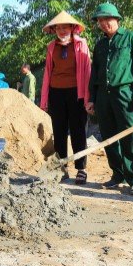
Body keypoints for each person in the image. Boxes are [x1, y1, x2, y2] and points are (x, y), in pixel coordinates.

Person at [87, 3, 133, 196]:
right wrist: (92, 99)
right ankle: (118, 174)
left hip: (125, 93)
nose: (103, 23)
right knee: (108, 136)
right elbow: (94, 74)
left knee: (131, 135)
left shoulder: (130, 38)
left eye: (107, 19)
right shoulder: (100, 45)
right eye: (100, 20)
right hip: (103, 96)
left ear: (117, 19)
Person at [40, 11, 91, 184]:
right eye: (58, 28)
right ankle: (62, 167)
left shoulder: (81, 44)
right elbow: (47, 72)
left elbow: (87, 71)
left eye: (65, 27)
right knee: (59, 131)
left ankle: (81, 169)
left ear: (72, 28)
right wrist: (44, 99)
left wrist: (87, 97)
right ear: (54, 30)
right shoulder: (51, 47)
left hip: (77, 93)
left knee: (78, 131)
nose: (62, 30)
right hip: (56, 93)